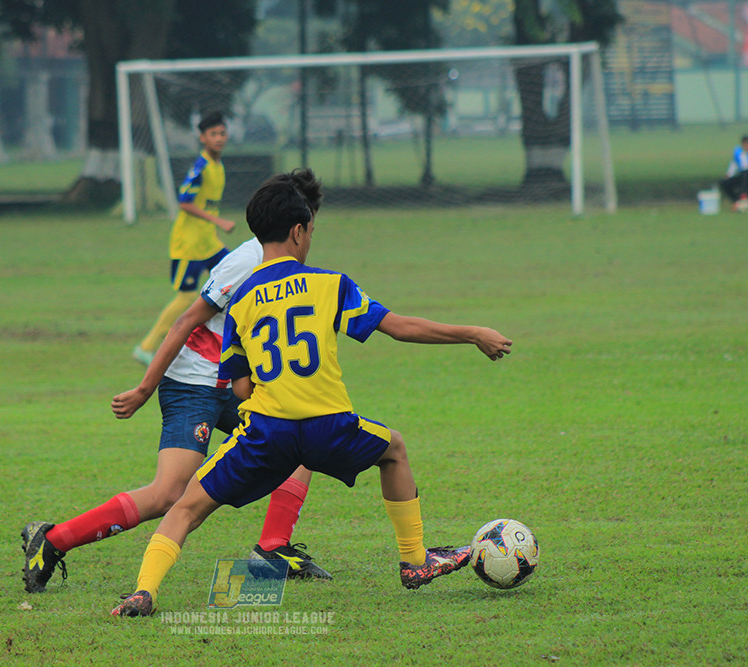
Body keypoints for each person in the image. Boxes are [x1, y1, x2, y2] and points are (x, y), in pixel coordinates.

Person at [111, 170, 513, 617]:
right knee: (393, 449)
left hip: (265, 432)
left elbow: (240, 386)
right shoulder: (330, 284)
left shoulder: (240, 301)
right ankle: (415, 561)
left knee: (186, 508)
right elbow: (399, 328)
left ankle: (144, 591)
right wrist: (473, 333)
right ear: (299, 231)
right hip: (328, 427)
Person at [20, 170, 332, 595]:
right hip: (194, 383)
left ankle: (273, 548)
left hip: (232, 384)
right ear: (297, 224)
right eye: (311, 225)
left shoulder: (289, 265)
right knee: (168, 493)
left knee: (299, 437)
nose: (311, 234)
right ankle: (52, 540)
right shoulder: (247, 260)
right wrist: (145, 388)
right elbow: (187, 319)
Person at [132, 112, 238, 365]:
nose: (219, 138)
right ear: (202, 138)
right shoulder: (200, 167)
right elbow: (184, 202)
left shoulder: (218, 165)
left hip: (209, 243)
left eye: (222, 133)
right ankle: (146, 348)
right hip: (189, 245)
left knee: (237, 282)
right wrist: (218, 221)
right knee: (186, 297)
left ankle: (230, 344)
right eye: (213, 134)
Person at [719, 135, 748, 211]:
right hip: (741, 175)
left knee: (745, 174)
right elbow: (734, 164)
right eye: (745, 144)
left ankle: (742, 197)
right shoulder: (738, 152)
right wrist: (728, 174)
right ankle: (736, 200)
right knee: (724, 182)